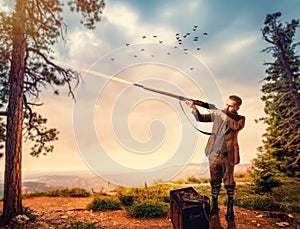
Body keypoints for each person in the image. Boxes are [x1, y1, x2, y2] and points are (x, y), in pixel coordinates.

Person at [185, 95, 245, 221]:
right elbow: (200, 118)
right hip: (214, 153)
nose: (227, 107)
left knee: (229, 182)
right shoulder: (218, 114)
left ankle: (230, 207)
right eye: (227, 104)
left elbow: (236, 126)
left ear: (237, 107)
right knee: (214, 180)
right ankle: (214, 205)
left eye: (231, 106)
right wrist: (193, 107)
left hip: (228, 155)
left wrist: (222, 115)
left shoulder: (240, 119)